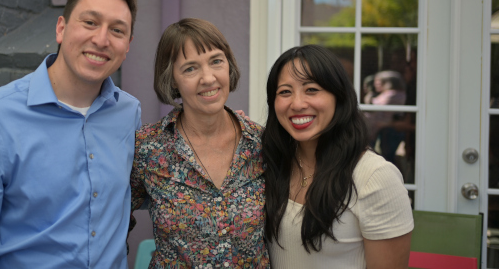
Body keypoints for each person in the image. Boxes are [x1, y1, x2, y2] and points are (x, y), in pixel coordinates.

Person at [0, 0, 141, 268]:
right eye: (90, 22)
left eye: (117, 30)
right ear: (61, 28)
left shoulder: (128, 113)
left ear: (127, 45)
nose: (102, 39)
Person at [130, 18, 269, 268]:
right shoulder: (147, 149)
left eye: (216, 61)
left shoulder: (263, 144)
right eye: (190, 68)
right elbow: (109, 223)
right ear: (172, 80)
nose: (208, 78)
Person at [262, 45, 413, 269]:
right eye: (285, 92)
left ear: (338, 96)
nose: (297, 104)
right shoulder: (272, 163)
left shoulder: (375, 176)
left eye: (311, 89)